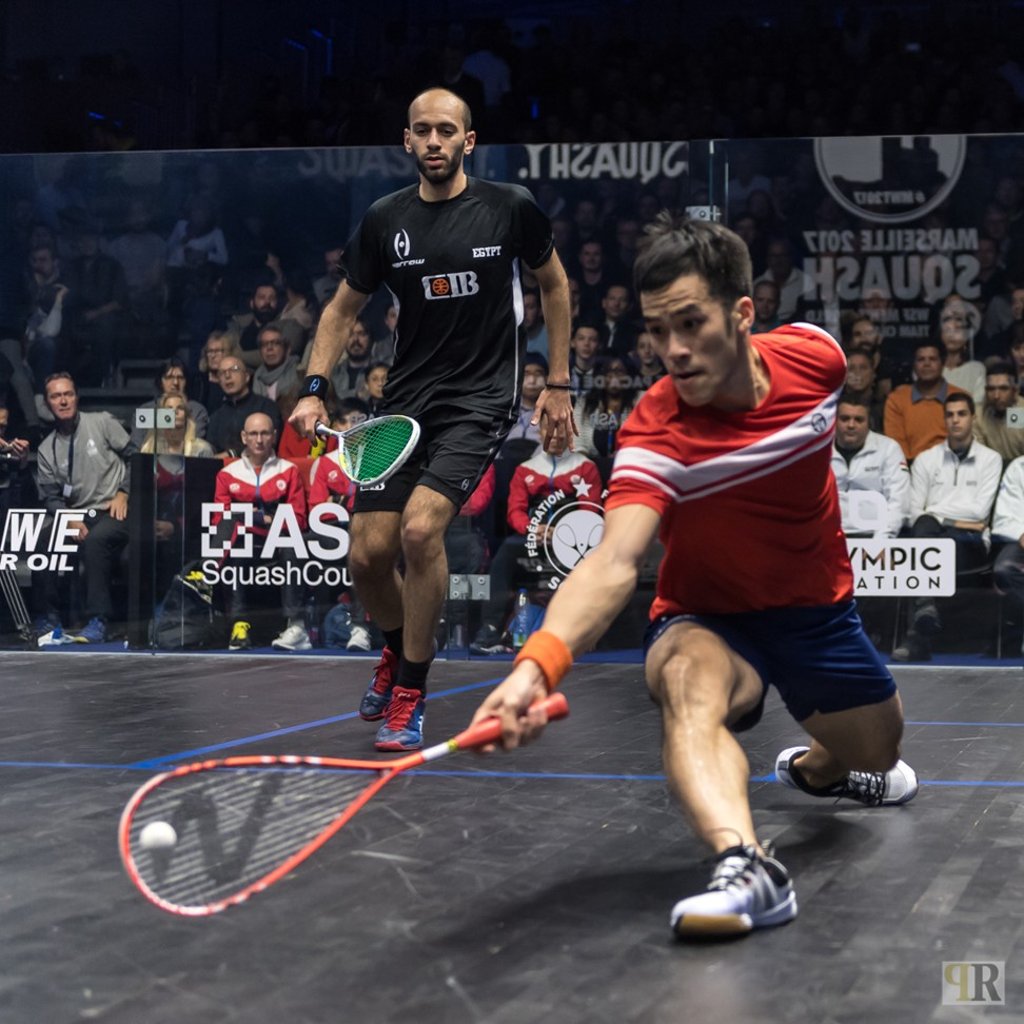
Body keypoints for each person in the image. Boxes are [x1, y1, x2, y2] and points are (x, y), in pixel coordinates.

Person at [467, 215, 918, 940]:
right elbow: (613, 563)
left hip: (817, 616)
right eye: (656, 331)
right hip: (709, 619)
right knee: (683, 679)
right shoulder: (656, 430)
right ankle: (746, 868)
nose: (672, 350)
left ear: (742, 314)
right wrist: (536, 668)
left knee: (880, 752)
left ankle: (824, 768)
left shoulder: (818, 360)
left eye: (690, 323)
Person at [289, 87, 573, 752]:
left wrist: (558, 382)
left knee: (420, 532)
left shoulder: (509, 208)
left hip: (479, 401)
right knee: (366, 555)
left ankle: (412, 688)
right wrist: (312, 388)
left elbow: (554, 284)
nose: (436, 140)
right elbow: (338, 311)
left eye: (448, 130)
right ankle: (396, 649)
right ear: (408, 141)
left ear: (469, 141)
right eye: (424, 131)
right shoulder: (385, 220)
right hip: (406, 402)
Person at [893, 392, 1003, 662]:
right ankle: (925, 607)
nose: (955, 420)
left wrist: (939, 515)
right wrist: (942, 518)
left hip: (971, 542)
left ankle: (918, 636)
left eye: (961, 414)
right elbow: (914, 513)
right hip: (931, 535)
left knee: (932, 540)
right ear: (944, 420)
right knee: (924, 528)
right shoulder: (926, 460)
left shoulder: (990, 459)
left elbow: (979, 512)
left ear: (972, 418)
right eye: (950, 415)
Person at [33, 372, 138, 642]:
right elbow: (51, 496)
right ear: (48, 404)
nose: (63, 401)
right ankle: (49, 618)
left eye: (68, 394)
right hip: (78, 514)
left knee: (96, 541)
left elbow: (137, 458)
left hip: (116, 509)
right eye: (56, 396)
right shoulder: (47, 449)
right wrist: (67, 517)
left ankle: (98, 620)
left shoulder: (101, 422)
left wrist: (124, 492)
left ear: (77, 397)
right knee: (43, 538)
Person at [212, 412, 311, 651]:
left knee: (293, 542)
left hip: (279, 540)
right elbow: (220, 520)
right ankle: (239, 624)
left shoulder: (289, 470)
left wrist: (250, 516)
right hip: (244, 541)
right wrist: (264, 518)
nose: (259, 439)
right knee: (232, 545)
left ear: (274, 436)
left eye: (265, 433)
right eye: (254, 434)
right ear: (244, 437)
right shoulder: (227, 474)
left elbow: (298, 519)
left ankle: (296, 626)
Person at [831, 392, 909, 539]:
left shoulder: (888, 449)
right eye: (844, 419)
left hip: (874, 535)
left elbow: (898, 501)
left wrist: (881, 542)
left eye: (859, 420)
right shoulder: (819, 449)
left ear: (869, 423)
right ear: (834, 420)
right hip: (827, 537)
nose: (851, 425)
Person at [883, 340, 968, 461]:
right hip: (910, 469)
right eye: (921, 359)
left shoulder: (961, 397)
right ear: (913, 365)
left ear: (942, 363)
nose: (926, 364)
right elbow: (896, 446)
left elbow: (964, 442)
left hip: (953, 465)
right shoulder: (897, 399)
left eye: (932, 359)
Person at [207, 356, 281, 458]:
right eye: (222, 373)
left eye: (234, 369)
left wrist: (231, 454)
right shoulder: (216, 415)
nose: (227, 375)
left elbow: (271, 441)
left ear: (246, 376)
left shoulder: (266, 407)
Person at [973, 361, 1024, 465]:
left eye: (1003, 389)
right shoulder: (979, 413)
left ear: (1015, 391)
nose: (996, 395)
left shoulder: (1019, 412)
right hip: (992, 470)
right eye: (991, 389)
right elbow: (981, 457)